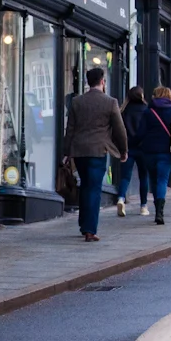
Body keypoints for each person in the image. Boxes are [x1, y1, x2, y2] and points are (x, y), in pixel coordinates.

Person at [63, 66, 126, 242]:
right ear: (102, 81)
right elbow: (120, 130)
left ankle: (84, 224)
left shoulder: (77, 102)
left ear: (88, 82)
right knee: (94, 189)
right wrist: (123, 150)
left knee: (85, 186)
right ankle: (90, 229)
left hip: (80, 152)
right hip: (98, 151)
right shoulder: (110, 102)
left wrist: (66, 152)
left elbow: (70, 129)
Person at [137, 86, 171, 225]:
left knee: (154, 180)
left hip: (149, 152)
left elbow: (140, 132)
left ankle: (157, 207)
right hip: (166, 152)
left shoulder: (148, 112)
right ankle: (159, 212)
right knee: (163, 180)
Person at [113, 87, 156, 216]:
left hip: (128, 148)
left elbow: (119, 131)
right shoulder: (147, 110)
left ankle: (121, 198)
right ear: (142, 96)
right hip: (143, 148)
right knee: (143, 177)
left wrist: (121, 148)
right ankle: (143, 206)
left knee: (125, 176)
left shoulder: (124, 111)